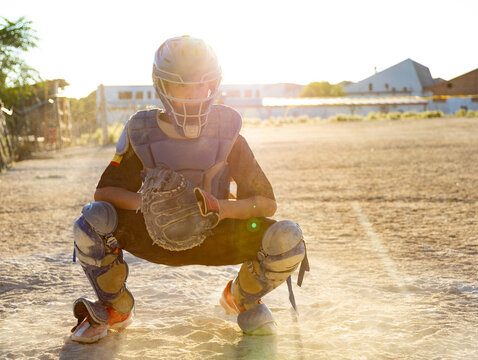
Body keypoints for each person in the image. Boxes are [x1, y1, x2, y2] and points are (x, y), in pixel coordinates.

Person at [70, 36, 308, 344]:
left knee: (288, 239)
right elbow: (104, 193)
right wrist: (147, 203)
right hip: (154, 236)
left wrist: (220, 207)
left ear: (214, 83)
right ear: (162, 86)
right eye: (183, 85)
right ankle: (116, 307)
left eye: (202, 83)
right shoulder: (142, 132)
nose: (195, 94)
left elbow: (266, 203)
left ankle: (242, 296)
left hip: (219, 236)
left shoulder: (228, 132)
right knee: (93, 219)